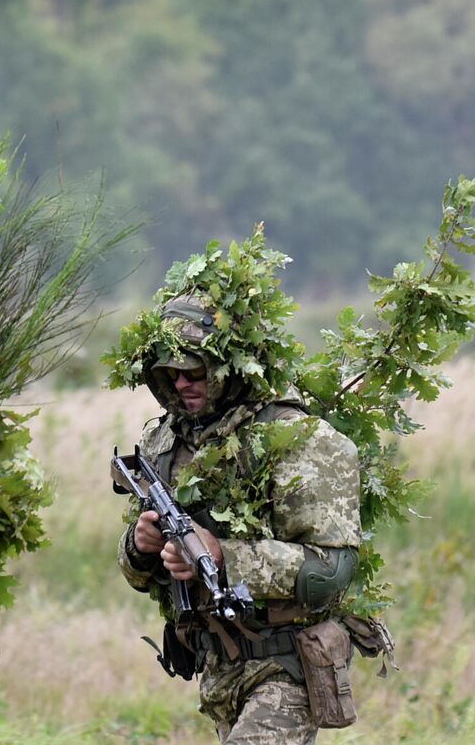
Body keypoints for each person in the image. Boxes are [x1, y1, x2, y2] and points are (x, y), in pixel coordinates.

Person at [117, 293, 370, 744]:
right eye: (168, 374)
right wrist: (142, 547)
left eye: (193, 371)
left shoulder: (295, 438)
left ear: (225, 368)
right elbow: (140, 574)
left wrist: (223, 555)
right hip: (218, 671)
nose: (181, 385)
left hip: (286, 666)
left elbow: (332, 572)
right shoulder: (165, 443)